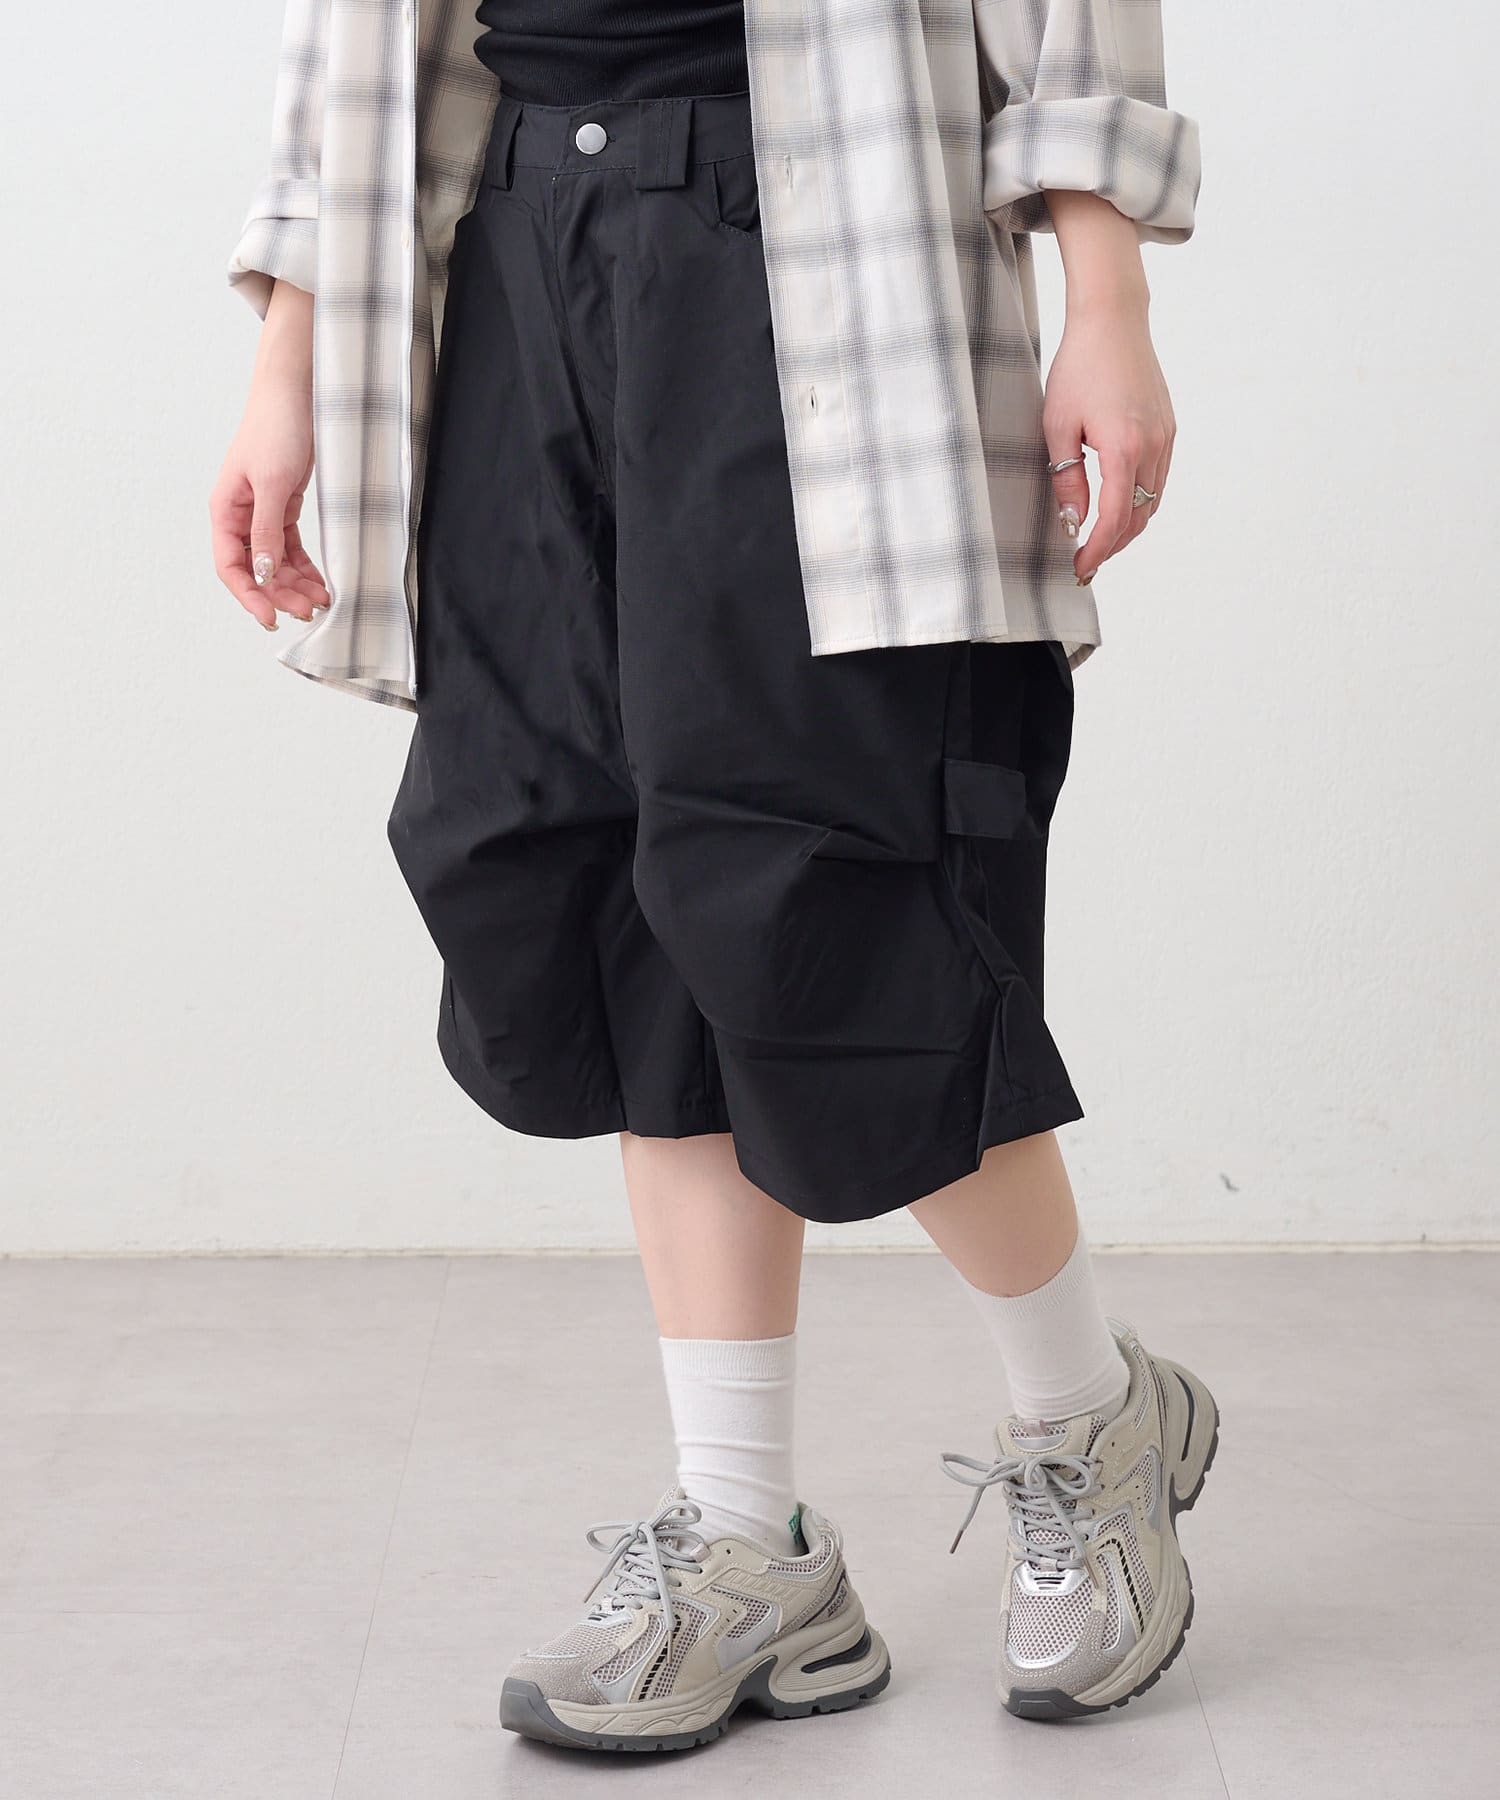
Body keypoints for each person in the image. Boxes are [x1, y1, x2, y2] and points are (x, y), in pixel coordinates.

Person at [212, 0, 1216, 1749]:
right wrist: (286, 357)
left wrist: (1106, 301)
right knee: (598, 892)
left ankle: (1090, 1419)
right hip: (510, 243)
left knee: (835, 901)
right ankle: (750, 1541)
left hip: (814, 236)